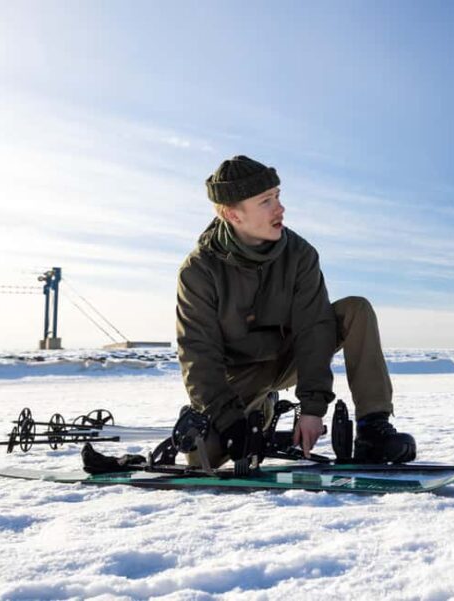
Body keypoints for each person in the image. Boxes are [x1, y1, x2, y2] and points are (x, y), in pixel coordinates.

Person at [176, 155, 415, 468]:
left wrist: (312, 408)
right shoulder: (198, 270)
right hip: (240, 374)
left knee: (356, 310)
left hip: (290, 356)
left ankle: (373, 428)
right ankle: (260, 414)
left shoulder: (300, 254)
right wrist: (228, 419)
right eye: (266, 201)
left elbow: (314, 329)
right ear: (233, 215)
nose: (280, 208)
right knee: (204, 454)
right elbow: (198, 354)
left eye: (278, 196)